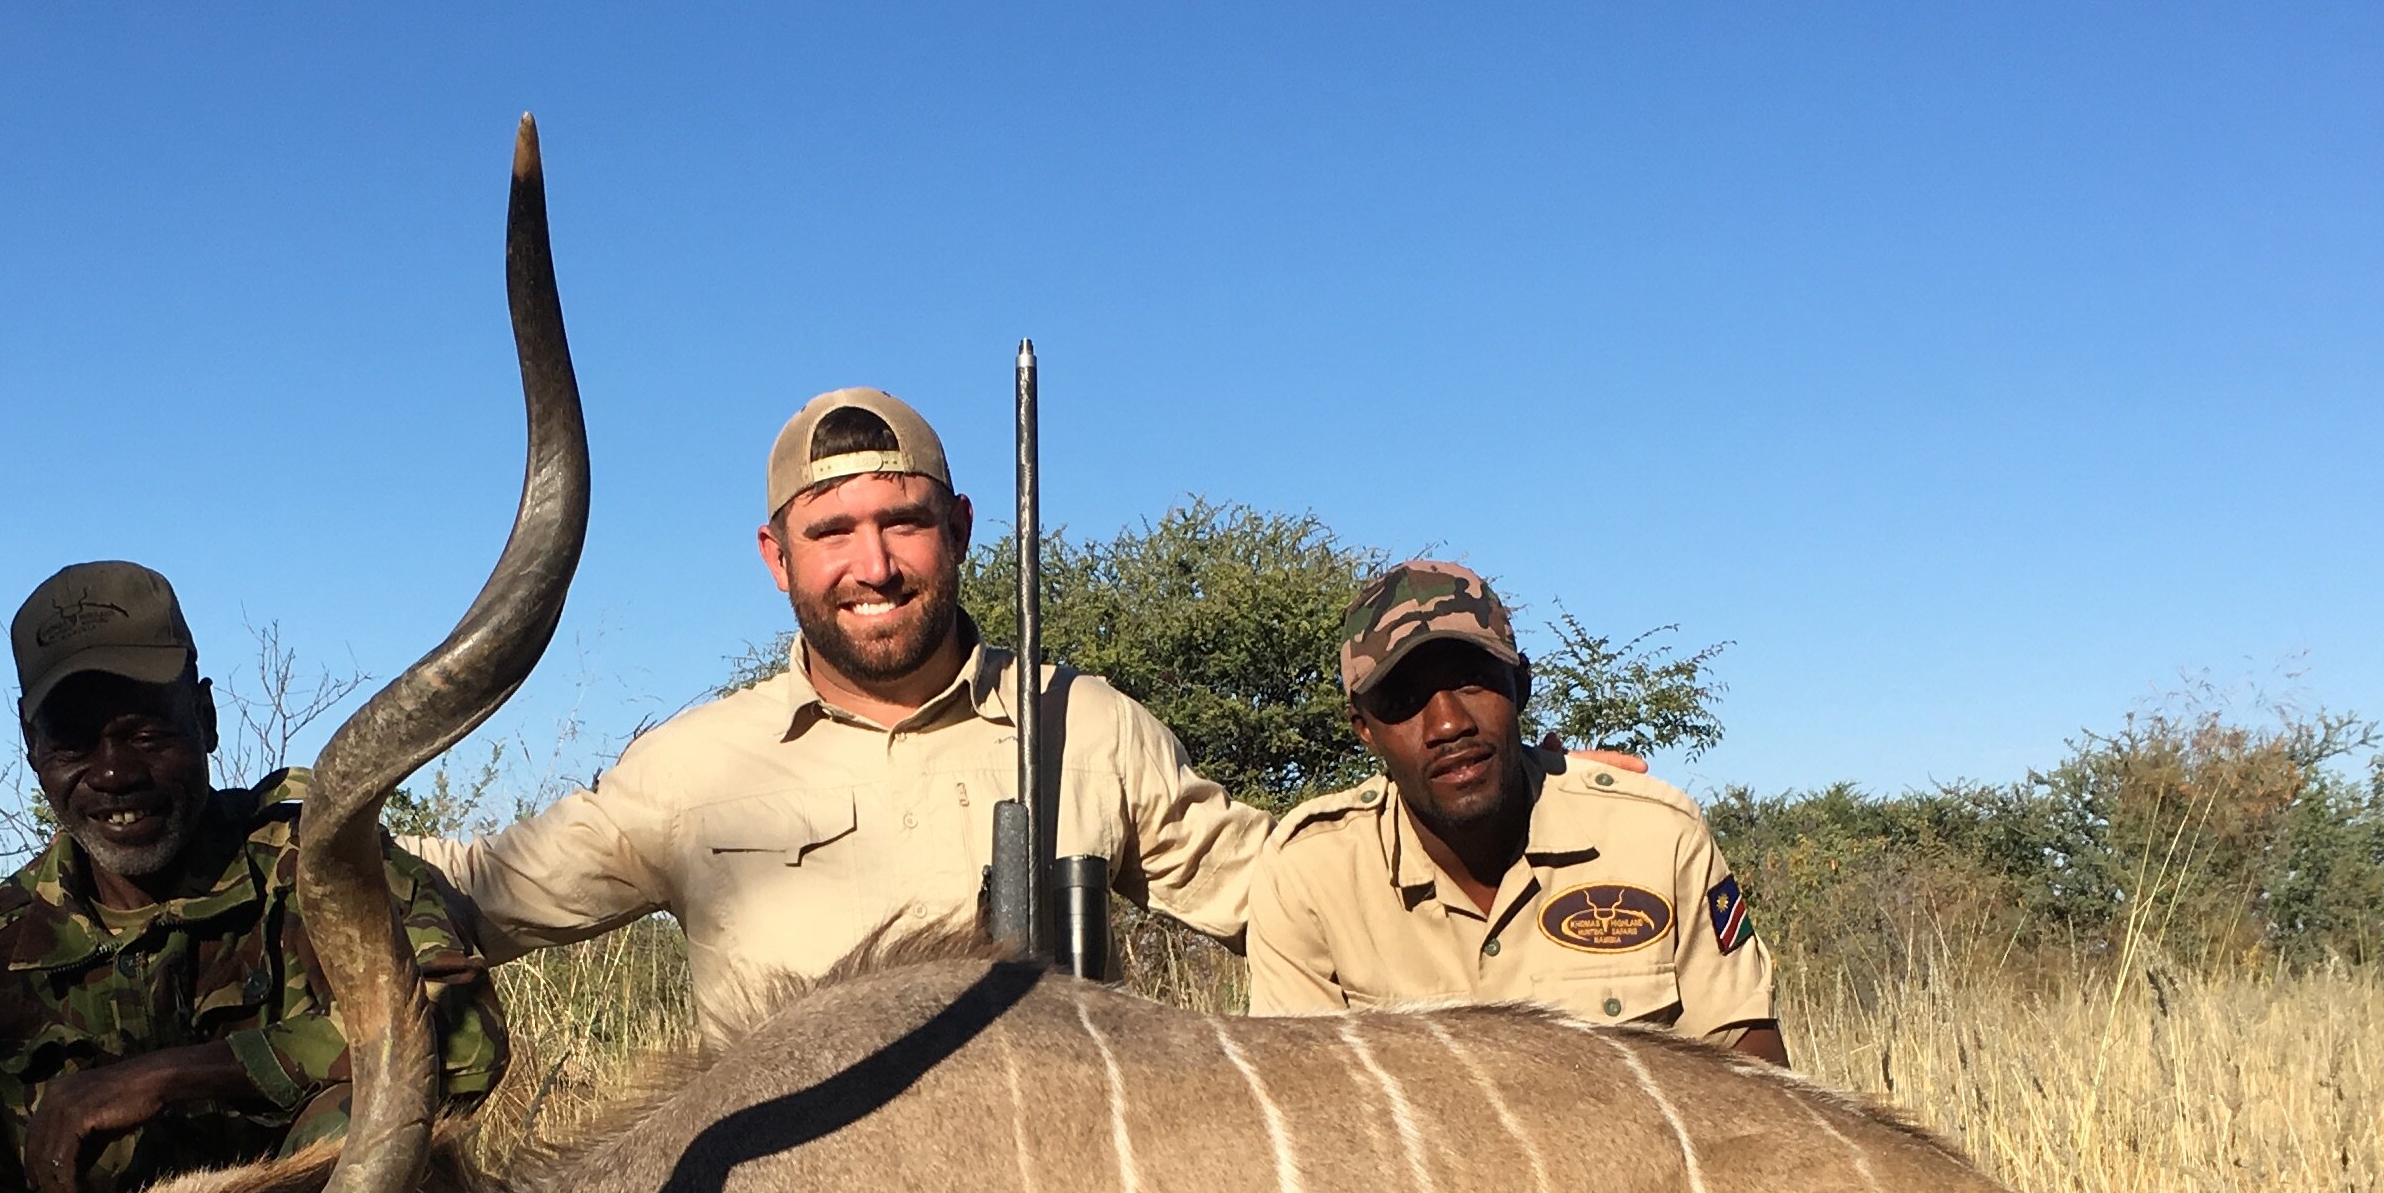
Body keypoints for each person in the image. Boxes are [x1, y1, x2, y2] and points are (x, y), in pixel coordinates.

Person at [421, 388, 1269, 1046]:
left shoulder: (1086, 726)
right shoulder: (694, 767)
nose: (875, 566)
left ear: (962, 527)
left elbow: (1282, 894)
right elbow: (481, 889)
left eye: (904, 522)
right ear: (776, 558)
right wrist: (302, 842)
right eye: (831, 532)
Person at [0, 561, 508, 1193]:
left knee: (368, 1116)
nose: (114, 772)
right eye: (74, 742)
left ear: (207, 719)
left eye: (145, 730)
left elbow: (462, 1028)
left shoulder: (316, 862)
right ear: (33, 750)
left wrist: (168, 1077)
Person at [1245, 561, 1786, 1061]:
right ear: (1365, 730)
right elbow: (1310, 1118)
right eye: (1404, 699)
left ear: (1520, 687)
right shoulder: (1307, 877)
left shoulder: (1656, 835)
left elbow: (1753, 1075)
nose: (1448, 724)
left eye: (1470, 681)